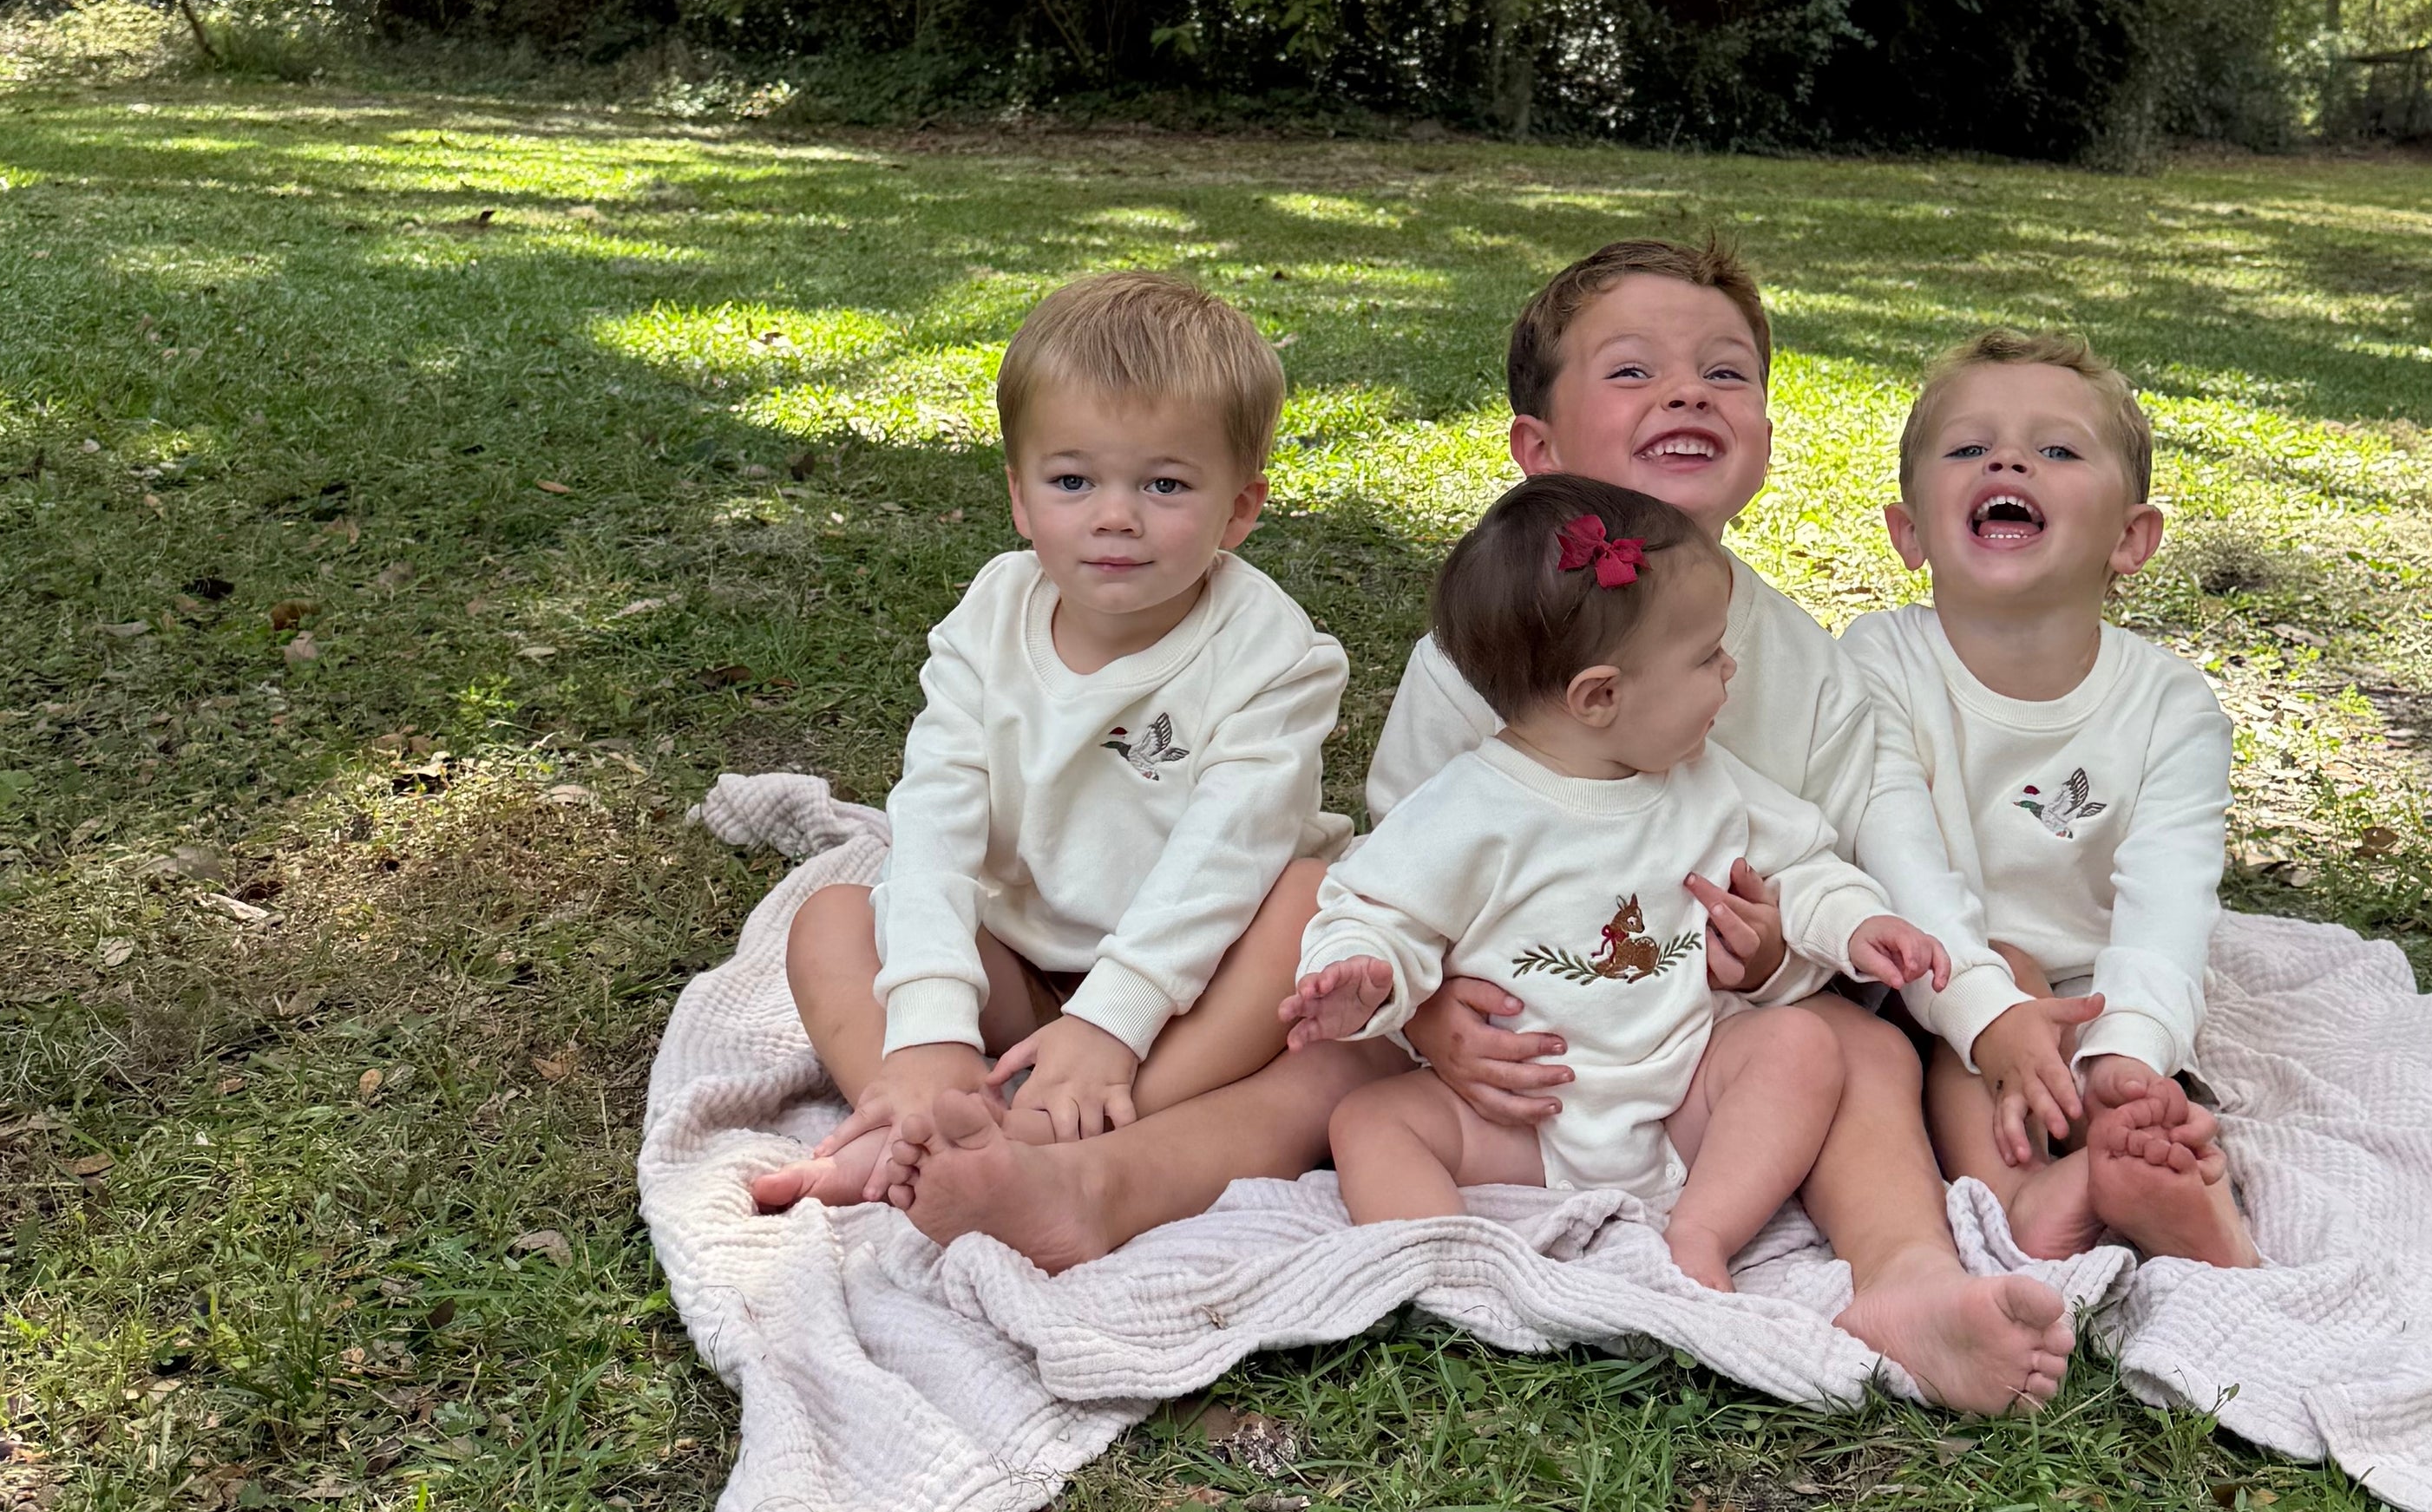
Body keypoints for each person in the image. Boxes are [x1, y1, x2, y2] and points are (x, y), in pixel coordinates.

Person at [1354, 236, 2073, 1411]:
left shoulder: (1803, 670)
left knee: (1862, 1050)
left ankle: (1901, 1279)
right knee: (1360, 1100)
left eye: (1726, 374)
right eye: (1632, 372)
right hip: (1522, 1068)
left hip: (1709, 1065)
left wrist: (1792, 950)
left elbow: (1849, 863)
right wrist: (1427, 1010)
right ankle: (1447, 1278)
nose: (1688, 392)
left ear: (1767, 440)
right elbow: (1398, 860)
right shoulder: (1482, 654)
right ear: (1538, 451)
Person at [748, 270, 1376, 1221]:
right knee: (833, 916)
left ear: (1239, 509)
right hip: (1023, 961)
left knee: (1310, 901)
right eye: (1073, 479)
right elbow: (938, 810)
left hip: (1197, 992)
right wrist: (926, 1020)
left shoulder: (1273, 651)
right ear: (1019, 494)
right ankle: (921, 1103)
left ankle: (1048, 1133)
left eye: (1165, 483)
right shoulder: (991, 617)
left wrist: (1114, 1021)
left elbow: (1228, 852)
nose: (1114, 515)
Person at [1282, 478, 1952, 1291]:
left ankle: (1701, 1233)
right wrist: (1365, 971)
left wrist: (1855, 925)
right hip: (1523, 1122)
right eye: (1707, 656)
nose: (1729, 667)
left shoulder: (1707, 782)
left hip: (1686, 1102)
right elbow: (1374, 907)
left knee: (1801, 1046)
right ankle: (1453, 1275)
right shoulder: (1468, 809)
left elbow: (1804, 866)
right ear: (1599, 695)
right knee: (1369, 1121)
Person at [1841, 325, 2255, 1266]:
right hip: (1923, 971)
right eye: (1968, 446)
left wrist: (2128, 1049)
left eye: (2058, 449)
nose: (2009, 457)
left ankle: (2181, 1194)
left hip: (2088, 989)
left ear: (2130, 538)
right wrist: (1992, 1011)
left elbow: (2169, 895)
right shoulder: (1880, 661)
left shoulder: (2172, 704)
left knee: (2154, 1096)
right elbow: (1895, 847)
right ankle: (2026, 1191)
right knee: (1983, 995)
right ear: (1909, 533)